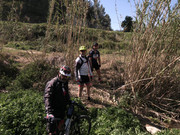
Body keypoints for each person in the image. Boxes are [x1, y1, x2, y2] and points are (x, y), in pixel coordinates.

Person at [44, 65, 71, 135]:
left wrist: (69, 101)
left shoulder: (65, 82)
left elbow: (66, 93)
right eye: (64, 76)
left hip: (61, 110)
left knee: (60, 129)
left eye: (67, 77)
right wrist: (49, 112)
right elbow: (47, 97)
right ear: (59, 74)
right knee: (52, 132)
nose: (65, 78)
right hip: (53, 111)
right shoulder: (52, 83)